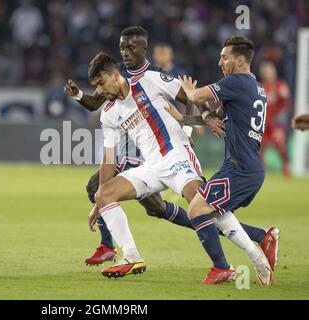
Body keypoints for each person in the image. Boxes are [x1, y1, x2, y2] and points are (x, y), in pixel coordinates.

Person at [65, 27, 275, 272]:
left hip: (176, 156)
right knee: (104, 194)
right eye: (122, 48)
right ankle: (131, 257)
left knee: (203, 207)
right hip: (151, 165)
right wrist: (98, 203)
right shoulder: (109, 112)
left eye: (101, 84)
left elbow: (190, 96)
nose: (99, 91)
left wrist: (199, 121)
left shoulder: (150, 78)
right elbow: (108, 157)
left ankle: (250, 253)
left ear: (114, 75)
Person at [64, 26, 203, 266]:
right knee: (110, 193)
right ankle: (112, 247)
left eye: (130, 48)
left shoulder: (155, 75)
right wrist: (78, 96)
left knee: (170, 206)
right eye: (122, 48)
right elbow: (95, 102)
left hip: (154, 150)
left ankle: (238, 236)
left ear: (145, 50)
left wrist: (189, 128)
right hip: (136, 149)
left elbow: (191, 99)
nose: (125, 53)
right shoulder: (118, 75)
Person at [177, 37, 280, 285]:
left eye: (225, 57)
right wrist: (197, 117)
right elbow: (216, 119)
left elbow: (196, 94)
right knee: (215, 213)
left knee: (196, 209)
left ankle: (225, 267)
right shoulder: (255, 88)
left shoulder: (237, 81)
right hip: (245, 167)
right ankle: (263, 242)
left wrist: (188, 89)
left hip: (240, 168)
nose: (220, 62)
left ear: (240, 60)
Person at [259, 61, 291, 176]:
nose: (267, 73)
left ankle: (287, 168)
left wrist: (280, 119)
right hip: (262, 124)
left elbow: (286, 104)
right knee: (260, 148)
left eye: (269, 71)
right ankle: (261, 172)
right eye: (265, 72)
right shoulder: (260, 87)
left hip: (276, 124)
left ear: (274, 72)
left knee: (280, 146)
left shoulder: (280, 85)